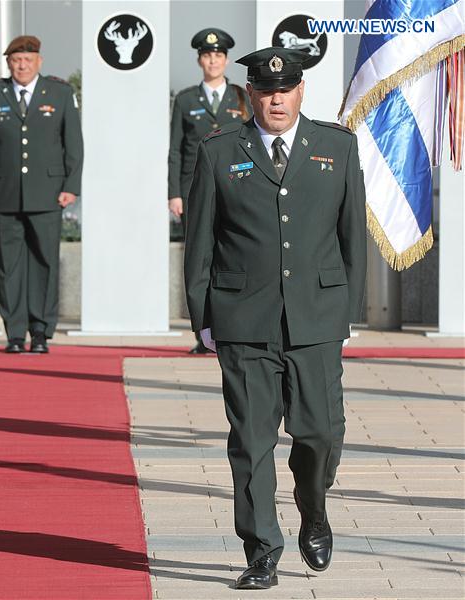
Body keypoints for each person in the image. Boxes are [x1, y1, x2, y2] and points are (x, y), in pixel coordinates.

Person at [183, 47, 366, 590]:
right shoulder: (220, 152)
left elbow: (352, 237)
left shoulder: (336, 146)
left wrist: (344, 315)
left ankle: (313, 506)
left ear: (301, 91)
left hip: (316, 319)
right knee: (252, 440)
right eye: (265, 91)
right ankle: (262, 547)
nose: (276, 99)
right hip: (244, 321)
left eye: (285, 90)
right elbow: (200, 245)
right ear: (251, 95)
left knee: (321, 434)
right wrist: (204, 319)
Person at [0, 35, 83, 354]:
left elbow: (73, 143)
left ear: (39, 62)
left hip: (49, 194)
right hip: (4, 194)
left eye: (27, 60)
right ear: (8, 63)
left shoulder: (59, 93)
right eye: (16, 60)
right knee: (9, 265)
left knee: (45, 262)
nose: (21, 65)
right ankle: (15, 333)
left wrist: (71, 186)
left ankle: (41, 331)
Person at [168, 28, 251, 354]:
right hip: (194, 192)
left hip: (234, 188)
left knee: (231, 257)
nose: (213, 60)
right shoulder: (186, 99)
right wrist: (175, 193)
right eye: (207, 55)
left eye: (218, 55)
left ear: (226, 60)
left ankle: (231, 329)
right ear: (200, 60)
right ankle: (202, 332)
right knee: (200, 261)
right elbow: (176, 150)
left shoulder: (241, 97)